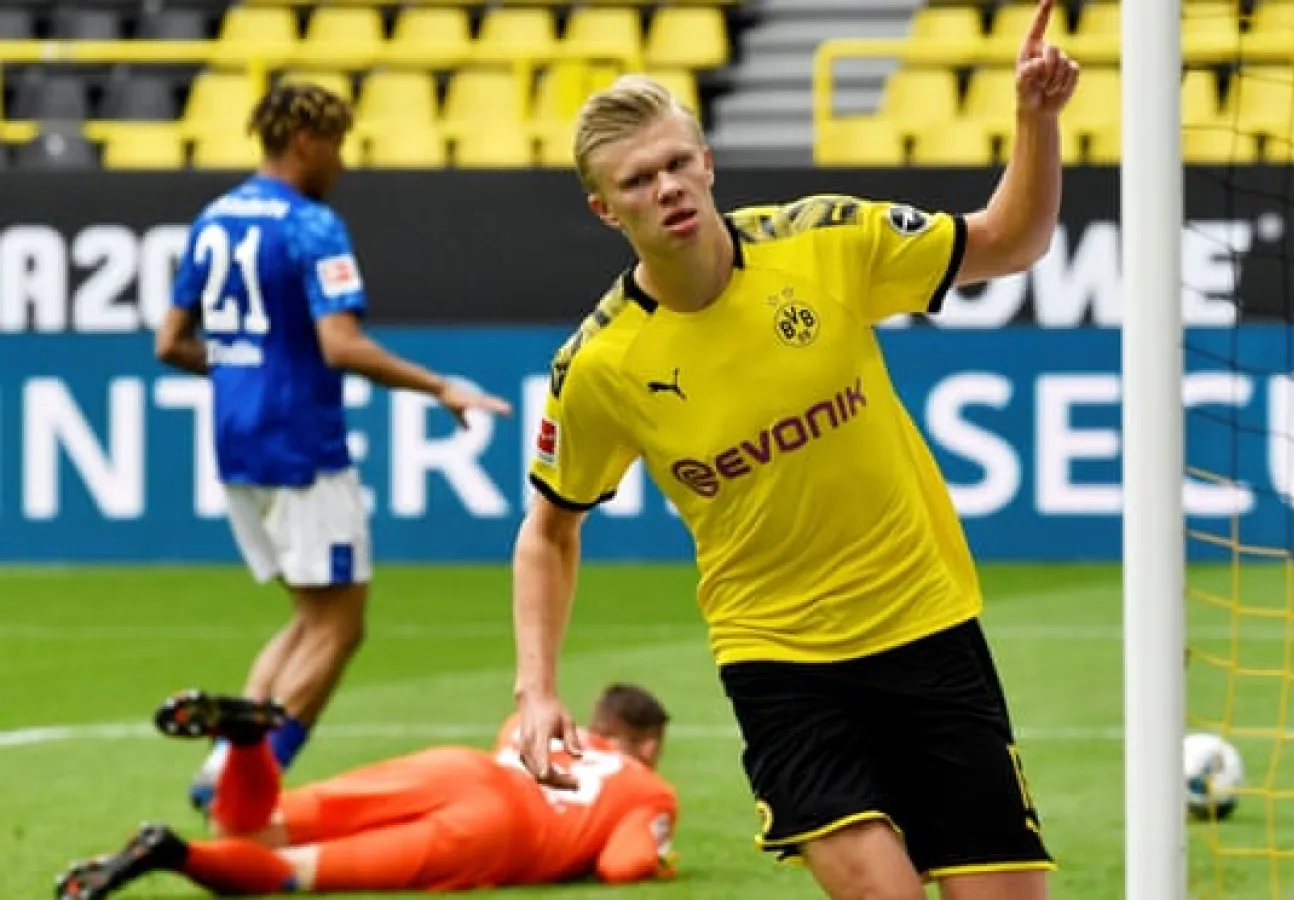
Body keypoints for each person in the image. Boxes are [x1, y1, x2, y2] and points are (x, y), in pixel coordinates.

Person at [507, 2, 1078, 898]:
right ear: (605, 209)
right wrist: (535, 690)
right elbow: (548, 529)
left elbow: (1013, 241)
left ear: (707, 162)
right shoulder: (601, 365)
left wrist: (1034, 122)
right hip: (781, 662)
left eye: (674, 163)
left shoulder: (822, 240)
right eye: (636, 180)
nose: (664, 187)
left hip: (928, 625)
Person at [153, 81, 512, 814]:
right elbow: (340, 345)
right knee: (341, 628)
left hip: (237, 441)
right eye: (338, 145)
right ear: (306, 141)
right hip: (301, 443)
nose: (342, 163)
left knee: (311, 617)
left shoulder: (215, 218)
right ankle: (247, 788)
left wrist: (244, 369)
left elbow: (170, 343)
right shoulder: (312, 226)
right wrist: (440, 387)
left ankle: (226, 759)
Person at [55, 684, 678, 898]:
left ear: (599, 724)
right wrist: (660, 860)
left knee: (250, 824)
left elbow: (513, 743)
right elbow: (624, 867)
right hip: (496, 831)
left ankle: (246, 741)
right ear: (646, 745)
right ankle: (171, 854)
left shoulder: (545, 725)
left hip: (457, 769)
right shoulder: (648, 789)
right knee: (288, 869)